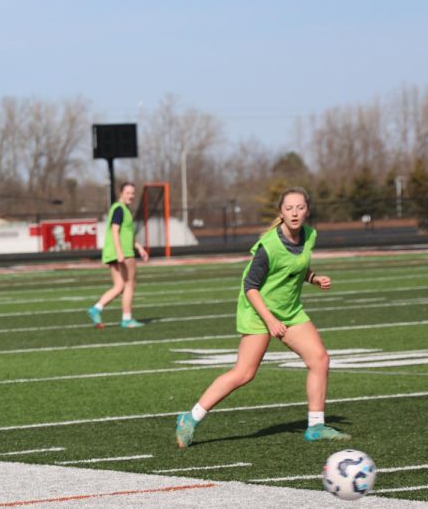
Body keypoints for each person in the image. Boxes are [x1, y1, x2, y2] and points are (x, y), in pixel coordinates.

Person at [175, 187, 350, 448]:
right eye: (289, 208)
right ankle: (190, 418)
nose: (294, 212)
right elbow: (250, 286)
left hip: (289, 311)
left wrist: (313, 278)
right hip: (258, 311)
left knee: (320, 359)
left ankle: (315, 427)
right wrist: (269, 321)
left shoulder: (310, 235)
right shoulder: (269, 246)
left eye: (299, 208)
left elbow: (296, 267)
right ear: (281, 212)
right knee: (244, 373)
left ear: (307, 211)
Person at [87, 182, 148, 329]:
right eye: (128, 193)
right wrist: (120, 252)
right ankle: (126, 319)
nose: (131, 196)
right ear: (121, 193)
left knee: (119, 286)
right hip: (123, 253)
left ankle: (96, 309)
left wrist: (139, 247)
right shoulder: (120, 209)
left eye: (133, 193)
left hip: (117, 252)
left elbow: (126, 234)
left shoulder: (123, 210)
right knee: (130, 284)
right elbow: (115, 231)